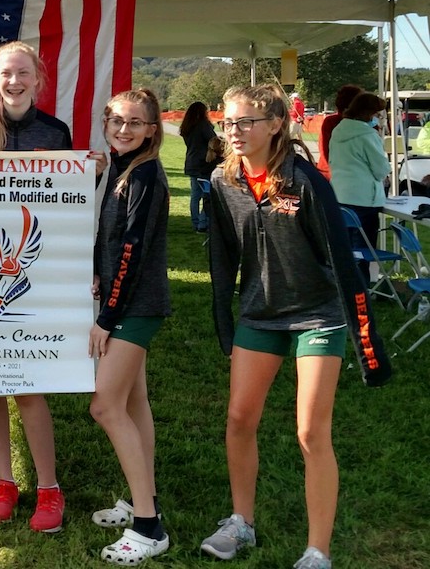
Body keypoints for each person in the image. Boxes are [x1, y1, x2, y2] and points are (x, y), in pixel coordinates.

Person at [201, 84, 391, 569]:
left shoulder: (304, 180)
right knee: (240, 420)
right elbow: (221, 257)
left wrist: (365, 340)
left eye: (246, 122)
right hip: (260, 314)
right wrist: (225, 320)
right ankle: (240, 522)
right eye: (229, 123)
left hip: (316, 315)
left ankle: (316, 551)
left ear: (275, 125)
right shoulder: (223, 182)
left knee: (310, 433)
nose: (235, 132)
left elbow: (341, 262)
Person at [0, 40, 70, 533]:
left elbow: (67, 208)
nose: (14, 82)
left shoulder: (55, 132)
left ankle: (48, 487)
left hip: (37, 273)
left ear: (37, 78)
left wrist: (88, 176)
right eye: (6, 73)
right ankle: (5, 481)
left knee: (29, 388)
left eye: (23, 73)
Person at [88, 89, 171, 565]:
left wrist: (107, 319)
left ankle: (148, 527)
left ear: (151, 131)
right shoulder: (123, 170)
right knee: (134, 403)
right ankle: (146, 498)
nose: (123, 129)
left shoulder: (146, 177)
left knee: (105, 406)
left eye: (134, 123)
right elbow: (114, 242)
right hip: (131, 303)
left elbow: (132, 253)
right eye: (116, 120)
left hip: (135, 308)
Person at [328, 92, 388, 285]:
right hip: (364, 200)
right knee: (363, 249)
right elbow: (381, 170)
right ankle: (360, 287)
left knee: (344, 248)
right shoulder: (368, 135)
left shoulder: (338, 130)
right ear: (369, 113)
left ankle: (342, 285)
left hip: (339, 195)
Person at [180, 101, 220, 232]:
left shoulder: (187, 127)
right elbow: (213, 141)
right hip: (204, 163)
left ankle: (195, 222)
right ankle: (203, 223)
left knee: (195, 195)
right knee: (207, 194)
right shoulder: (203, 126)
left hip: (191, 163)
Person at [317, 85, 362, 179]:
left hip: (346, 175)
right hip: (334, 175)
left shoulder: (365, 125)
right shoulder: (331, 122)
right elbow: (326, 152)